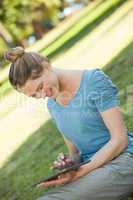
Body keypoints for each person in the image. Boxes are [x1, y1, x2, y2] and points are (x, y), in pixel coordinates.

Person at [4, 47, 133, 200]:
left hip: (123, 159)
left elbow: (120, 140)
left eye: (40, 87)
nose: (43, 95)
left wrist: (83, 170)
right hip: (92, 168)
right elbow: (76, 152)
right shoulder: (53, 105)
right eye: (34, 95)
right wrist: (68, 165)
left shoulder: (94, 81)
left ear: (47, 65)